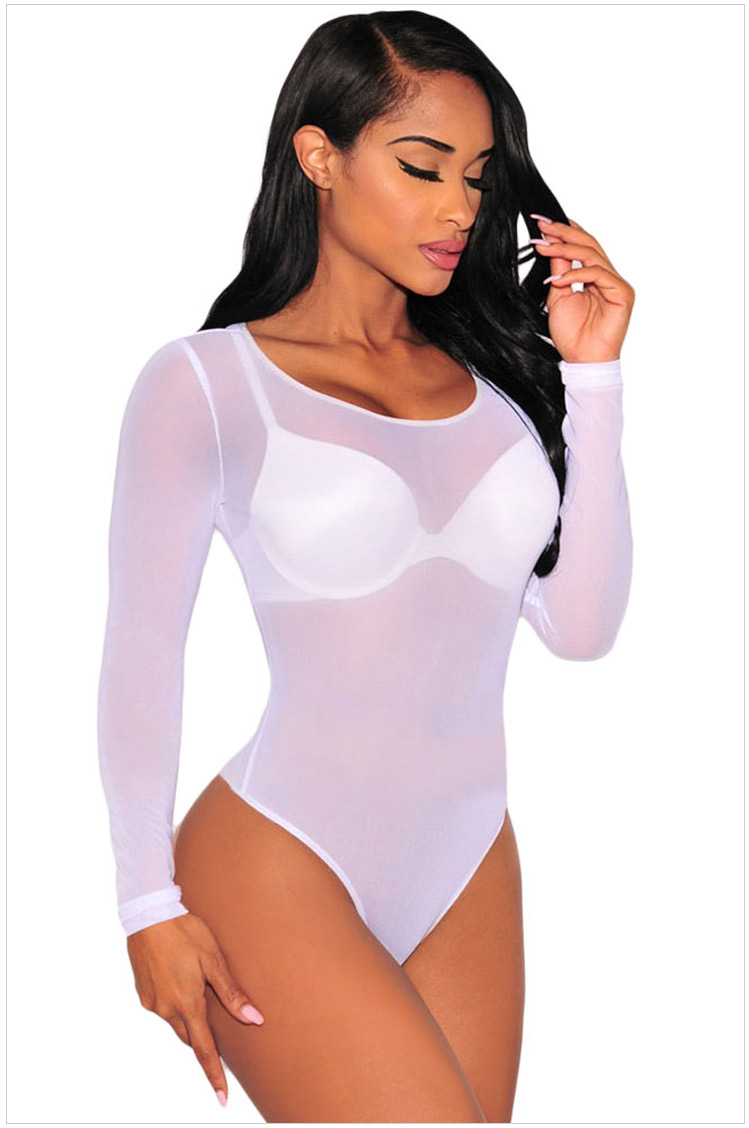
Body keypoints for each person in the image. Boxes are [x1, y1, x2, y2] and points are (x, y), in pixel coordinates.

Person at [97, 9, 634, 1123]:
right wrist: (146, 904)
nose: (460, 209)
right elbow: (143, 652)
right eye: (422, 167)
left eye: (476, 178)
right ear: (320, 157)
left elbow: (580, 629)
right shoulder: (207, 384)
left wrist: (592, 379)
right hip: (277, 851)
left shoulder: (496, 387)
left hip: (468, 856)